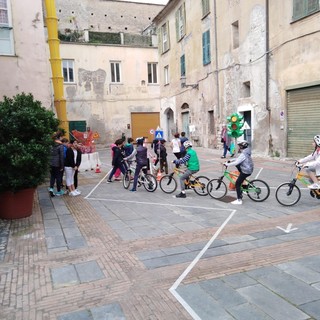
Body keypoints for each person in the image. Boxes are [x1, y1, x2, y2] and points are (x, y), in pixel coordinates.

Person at [224, 140, 254, 205]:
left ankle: (239, 200)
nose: (239, 147)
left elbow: (237, 162)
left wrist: (227, 164)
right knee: (240, 176)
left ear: (243, 146)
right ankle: (244, 188)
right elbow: (238, 159)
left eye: (240, 145)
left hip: (246, 170)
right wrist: (230, 160)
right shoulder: (247, 151)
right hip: (249, 169)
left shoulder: (243, 154)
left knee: (237, 183)